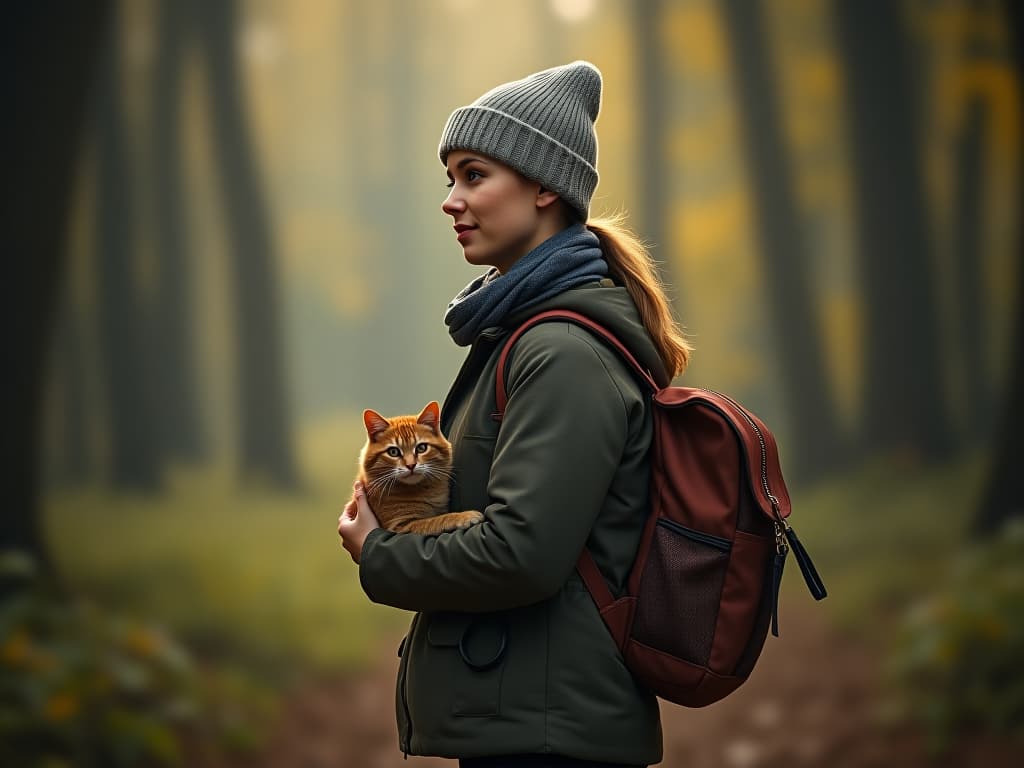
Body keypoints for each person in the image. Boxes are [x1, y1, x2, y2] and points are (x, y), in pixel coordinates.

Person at [338, 60, 691, 768]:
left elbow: (522, 554)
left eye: (474, 175)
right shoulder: (522, 333)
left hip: (548, 735)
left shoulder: (561, 350)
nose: (451, 200)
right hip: (525, 718)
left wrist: (379, 554)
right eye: (450, 180)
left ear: (543, 188)